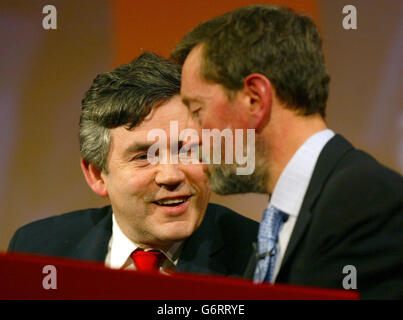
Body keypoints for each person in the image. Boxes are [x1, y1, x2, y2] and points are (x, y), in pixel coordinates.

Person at [172, 5, 403, 298]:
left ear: (255, 99)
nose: (191, 138)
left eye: (197, 110)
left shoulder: (367, 201)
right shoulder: (286, 215)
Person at [8, 52, 259, 277]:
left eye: (188, 150)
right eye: (144, 157)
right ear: (96, 174)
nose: (171, 175)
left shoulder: (257, 256)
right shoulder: (37, 249)